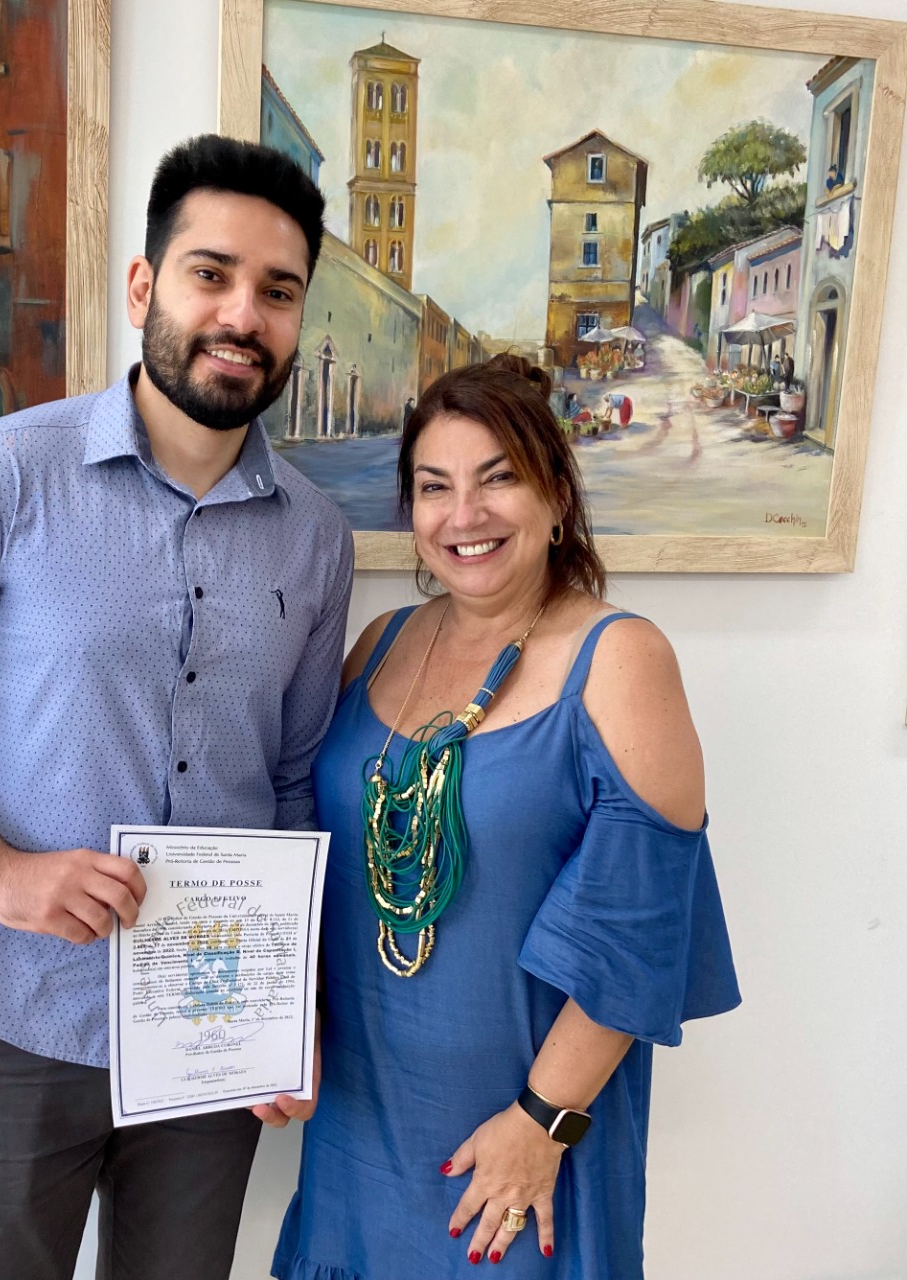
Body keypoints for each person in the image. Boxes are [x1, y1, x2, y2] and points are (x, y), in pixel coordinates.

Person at [0, 134, 353, 1280]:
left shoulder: (315, 535)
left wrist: (288, 998)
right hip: (14, 1016)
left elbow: (293, 780)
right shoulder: (3, 474)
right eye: (210, 273)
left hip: (210, 1031)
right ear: (144, 286)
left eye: (276, 290)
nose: (241, 314)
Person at [273, 355, 739, 1280]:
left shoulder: (621, 659)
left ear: (556, 495)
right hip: (359, 1120)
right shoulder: (380, 643)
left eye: (498, 480)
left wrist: (541, 1124)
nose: (465, 514)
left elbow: (635, 937)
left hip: (520, 1148)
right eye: (434, 486)